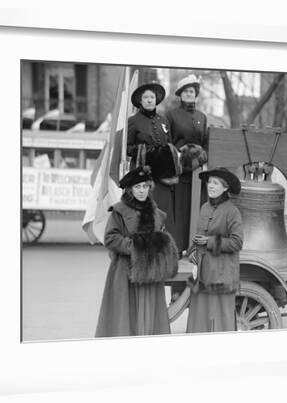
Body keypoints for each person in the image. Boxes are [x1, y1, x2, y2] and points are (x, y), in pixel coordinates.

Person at [95, 166, 179, 337]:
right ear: (130, 190)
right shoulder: (119, 211)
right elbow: (110, 238)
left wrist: (163, 245)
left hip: (151, 274)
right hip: (125, 271)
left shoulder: (157, 214)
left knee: (150, 315)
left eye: (145, 186)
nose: (142, 191)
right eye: (138, 187)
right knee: (126, 314)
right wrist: (135, 247)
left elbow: (163, 237)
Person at [186, 167, 243, 333]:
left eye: (215, 183)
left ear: (225, 188)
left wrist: (210, 242)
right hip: (203, 272)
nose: (210, 186)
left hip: (221, 275)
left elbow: (237, 242)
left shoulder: (232, 211)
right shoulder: (205, 207)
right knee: (200, 314)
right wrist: (192, 251)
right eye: (209, 182)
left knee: (220, 316)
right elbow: (200, 236)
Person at [127, 82, 182, 242]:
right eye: (146, 97)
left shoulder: (163, 120)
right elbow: (127, 148)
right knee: (146, 215)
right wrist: (145, 152)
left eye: (152, 97)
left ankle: (166, 247)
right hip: (144, 177)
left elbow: (170, 144)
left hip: (164, 178)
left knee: (163, 213)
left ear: (156, 100)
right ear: (140, 101)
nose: (150, 100)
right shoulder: (134, 121)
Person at [166, 75, 209, 253]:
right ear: (180, 95)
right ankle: (178, 247)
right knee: (180, 210)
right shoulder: (171, 115)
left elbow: (206, 141)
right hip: (180, 170)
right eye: (186, 91)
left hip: (198, 173)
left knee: (198, 210)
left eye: (192, 91)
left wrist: (204, 159)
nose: (189, 94)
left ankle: (195, 248)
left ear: (196, 95)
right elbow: (168, 142)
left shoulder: (202, 117)